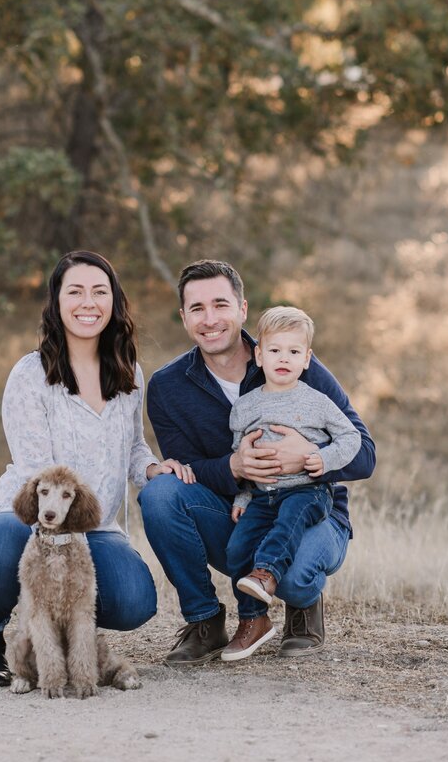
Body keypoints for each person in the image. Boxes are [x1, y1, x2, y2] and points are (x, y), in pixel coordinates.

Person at [0, 249, 193, 687]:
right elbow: (38, 476)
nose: (88, 303)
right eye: (75, 292)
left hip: (97, 527)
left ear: (114, 302)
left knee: (134, 600)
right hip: (34, 519)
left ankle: (70, 634)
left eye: (99, 292)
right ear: (56, 303)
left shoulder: (129, 373)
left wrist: (150, 470)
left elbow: (133, 446)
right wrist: (59, 525)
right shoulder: (30, 373)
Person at [139, 259, 375, 666]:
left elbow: (365, 453)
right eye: (197, 309)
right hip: (244, 507)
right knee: (160, 494)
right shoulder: (167, 386)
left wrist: (306, 456)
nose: (210, 319)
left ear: (242, 309)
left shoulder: (290, 358)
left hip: (313, 510)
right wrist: (235, 468)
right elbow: (188, 468)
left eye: (221, 305)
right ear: (183, 317)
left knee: (297, 579)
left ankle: (303, 608)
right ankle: (205, 622)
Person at [222, 305, 361, 661]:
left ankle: (268, 573)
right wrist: (242, 494)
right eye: (275, 350)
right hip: (262, 495)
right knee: (237, 548)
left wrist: (321, 458)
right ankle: (253, 621)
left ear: (307, 358)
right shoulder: (245, 406)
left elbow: (352, 438)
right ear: (258, 354)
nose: (284, 358)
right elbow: (242, 452)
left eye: (294, 351)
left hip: (307, 491)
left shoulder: (317, 401)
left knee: (289, 521)